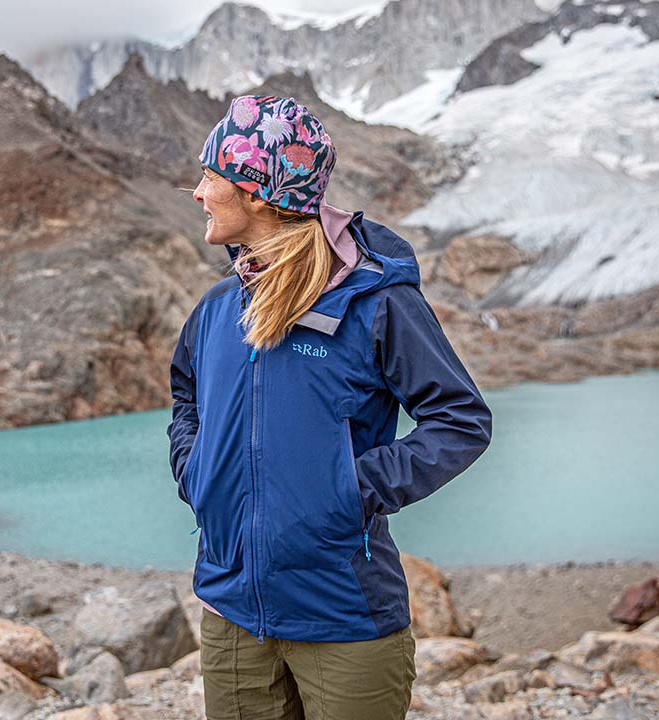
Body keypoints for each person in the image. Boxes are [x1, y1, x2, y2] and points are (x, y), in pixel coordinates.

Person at [167, 94, 494, 720]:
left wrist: (352, 488)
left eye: (210, 177)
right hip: (232, 615)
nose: (198, 192)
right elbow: (187, 395)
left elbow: (460, 420)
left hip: (344, 614)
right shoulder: (215, 311)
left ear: (256, 192)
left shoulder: (375, 305)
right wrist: (195, 468)